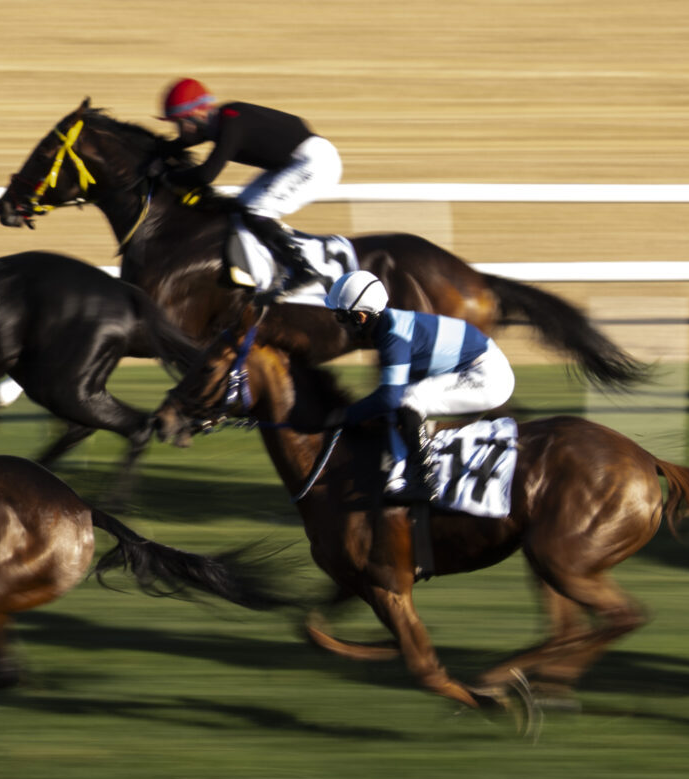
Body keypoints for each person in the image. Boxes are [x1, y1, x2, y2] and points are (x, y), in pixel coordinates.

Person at [323, 271, 516, 504]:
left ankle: (424, 482)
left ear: (361, 317)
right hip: (476, 366)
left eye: (341, 318)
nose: (341, 326)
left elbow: (389, 399)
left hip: (489, 377)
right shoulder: (390, 326)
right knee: (404, 398)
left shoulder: (393, 337)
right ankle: (397, 480)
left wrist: (346, 415)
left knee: (408, 399)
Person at [157, 77, 342, 288]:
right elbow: (184, 143)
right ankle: (270, 264)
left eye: (181, 123)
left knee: (257, 211)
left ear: (199, 113)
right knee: (241, 208)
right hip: (294, 161)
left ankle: (303, 270)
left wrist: (168, 178)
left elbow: (206, 175)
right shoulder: (219, 120)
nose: (180, 130)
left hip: (316, 162)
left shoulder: (230, 123)